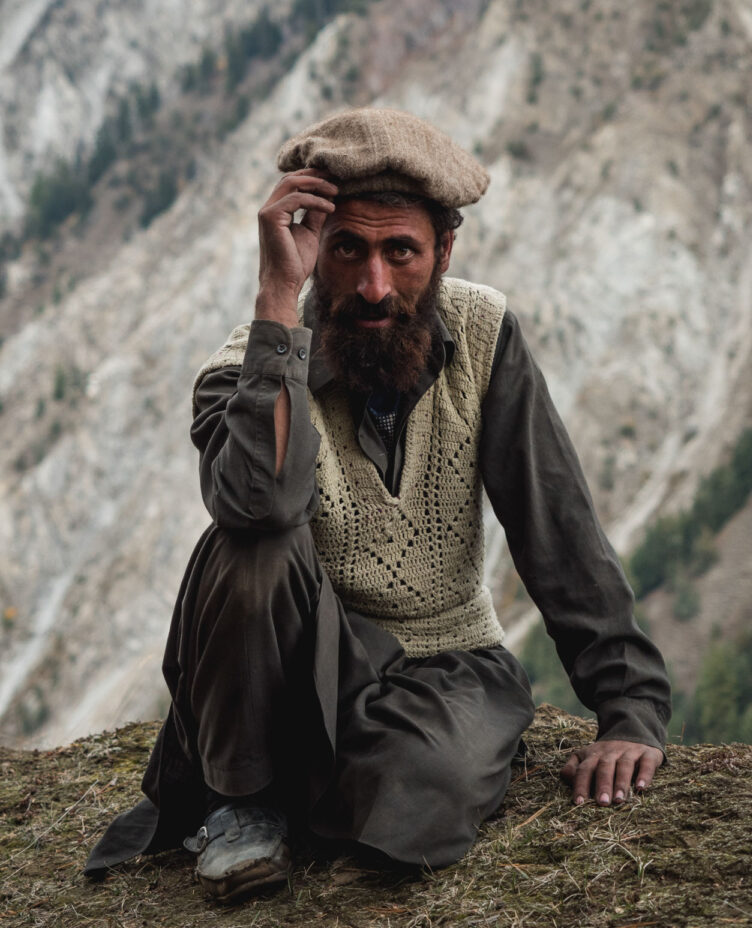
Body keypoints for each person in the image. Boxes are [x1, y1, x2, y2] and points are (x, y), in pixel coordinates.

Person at [85, 107, 670, 903]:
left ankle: (294, 780)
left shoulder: (485, 333)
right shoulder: (247, 363)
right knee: (251, 540)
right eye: (347, 250)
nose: (374, 286)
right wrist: (275, 295)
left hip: (446, 665)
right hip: (293, 668)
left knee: (424, 795)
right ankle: (245, 802)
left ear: (444, 250)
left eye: (402, 252)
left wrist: (629, 708)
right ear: (314, 249)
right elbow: (257, 505)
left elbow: (555, 523)